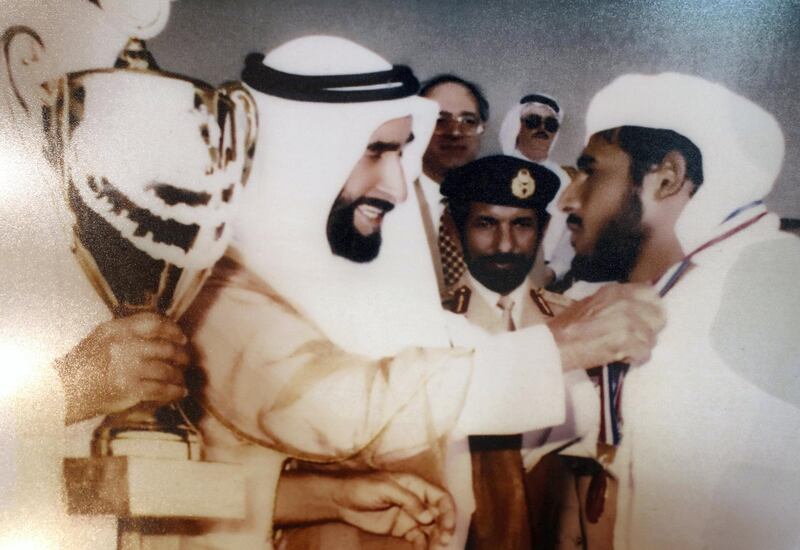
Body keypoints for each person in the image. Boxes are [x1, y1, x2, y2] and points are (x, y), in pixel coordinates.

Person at [182, 36, 665, 549]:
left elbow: (437, 353)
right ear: (303, 152)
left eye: (400, 153)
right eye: (376, 151)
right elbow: (342, 407)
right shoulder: (215, 287)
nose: (394, 185)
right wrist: (559, 347)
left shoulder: (330, 281)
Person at [558, 72, 800, 549]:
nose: (568, 196)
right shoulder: (691, 285)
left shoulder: (768, 277)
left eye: (590, 170)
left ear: (666, 177)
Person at [440, 155, 599, 549]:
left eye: (522, 225)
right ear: (455, 230)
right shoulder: (432, 325)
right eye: (486, 223)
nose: (505, 245)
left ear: (543, 228)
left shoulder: (575, 325)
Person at [417, 74, 489, 291]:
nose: (455, 132)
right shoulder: (390, 204)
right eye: (440, 120)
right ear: (415, 126)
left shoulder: (497, 204)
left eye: (468, 121)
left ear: (481, 129)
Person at [499, 93, 574, 286]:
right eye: (533, 121)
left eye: (550, 125)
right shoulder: (495, 170)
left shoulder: (564, 180)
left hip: (540, 277)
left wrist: (552, 272)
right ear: (517, 126)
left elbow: (570, 238)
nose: (542, 129)